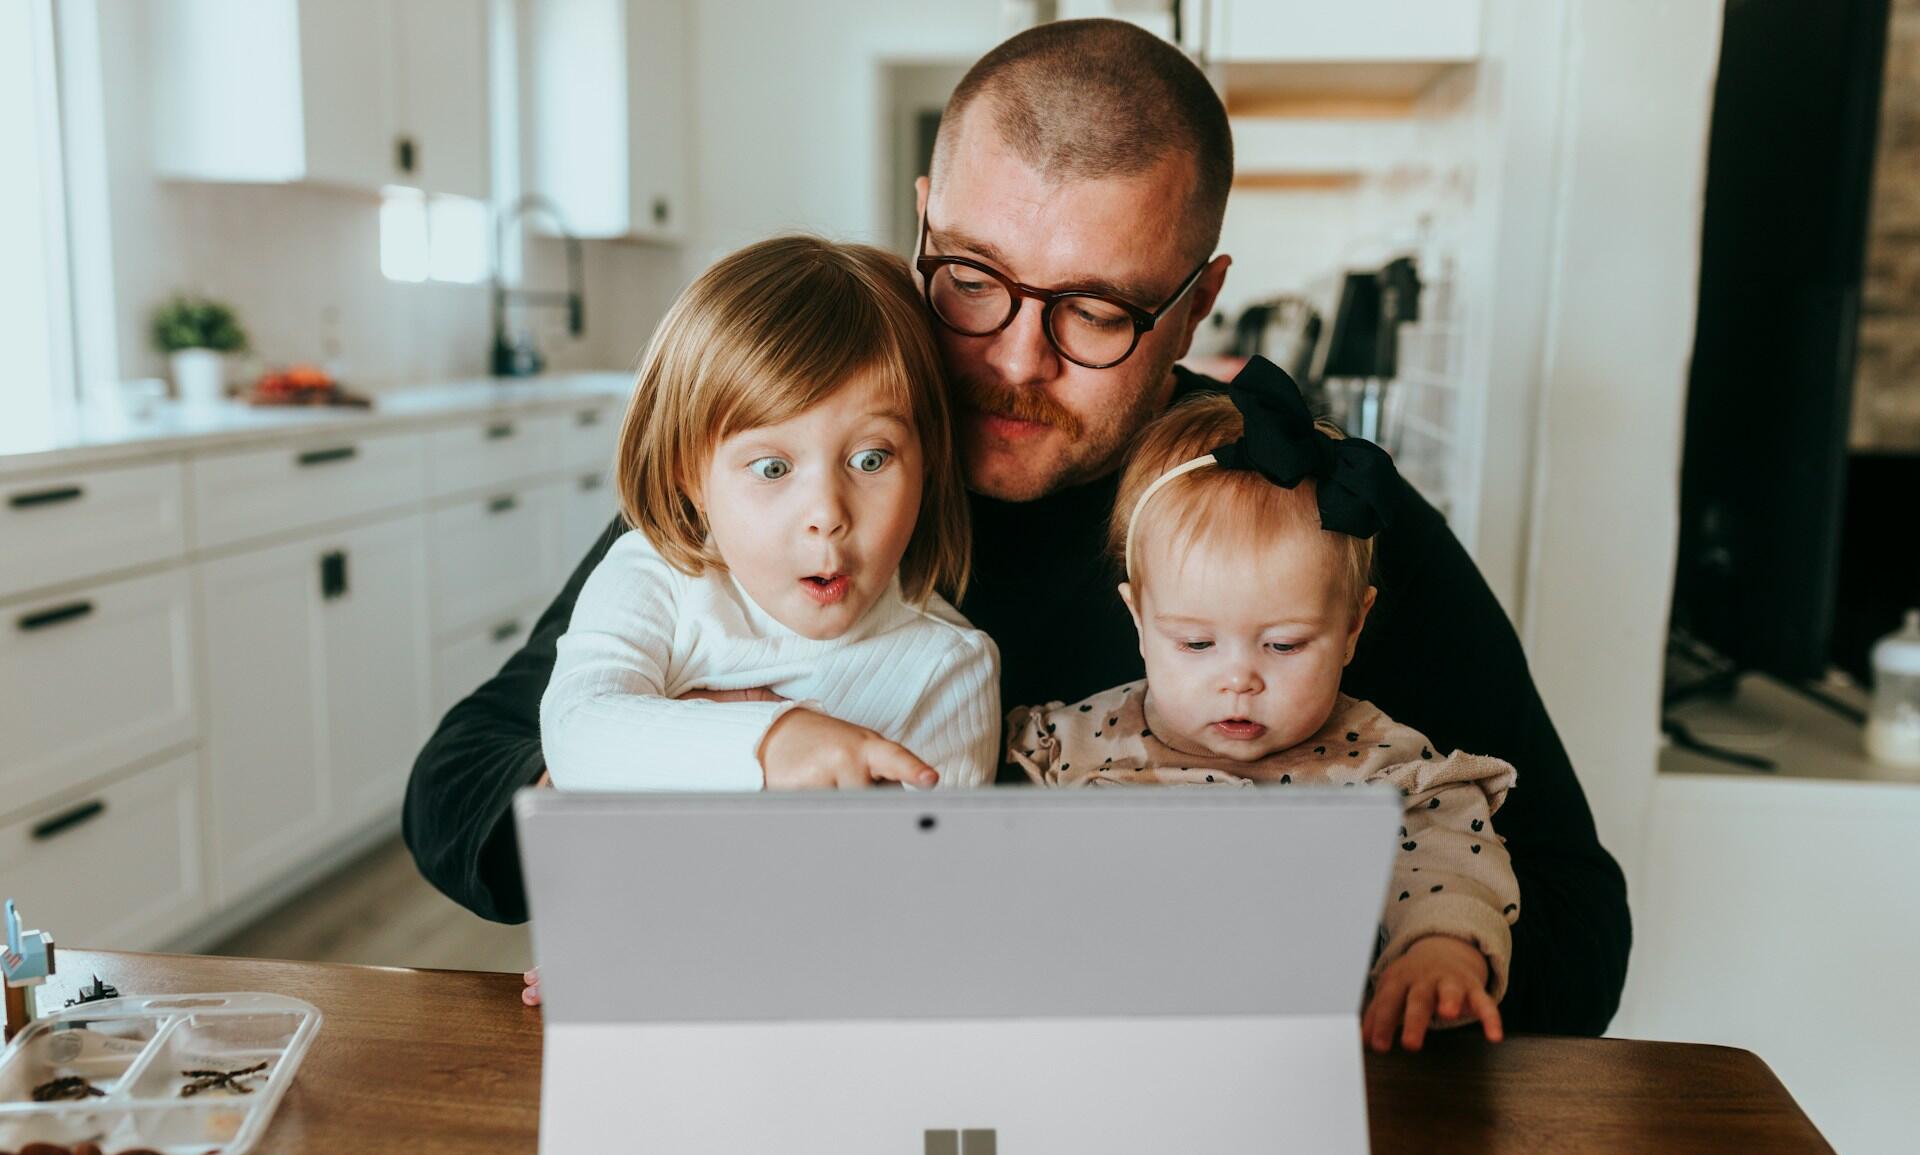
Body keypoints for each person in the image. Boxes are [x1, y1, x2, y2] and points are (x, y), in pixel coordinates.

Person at [405, 18, 1631, 1036]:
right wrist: (676, 792)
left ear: (1200, 299)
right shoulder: (793, 480)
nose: (1011, 362)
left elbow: (1578, 915)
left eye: (1097, 309)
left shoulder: (1292, 507)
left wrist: (1350, 946)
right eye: (973, 280)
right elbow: (458, 795)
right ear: (925, 218)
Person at [1008, 360, 1519, 1052]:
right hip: (1104, 1063)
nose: (1239, 679)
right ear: (1137, 618)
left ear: (1352, 628)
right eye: (1194, 642)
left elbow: (1445, 867)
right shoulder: (1063, 744)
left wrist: (1441, 953)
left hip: (1304, 1070)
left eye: (1282, 645)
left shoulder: (1386, 771)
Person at [539, 235, 998, 797]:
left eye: (870, 459)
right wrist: (772, 743)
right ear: (691, 477)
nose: (827, 515)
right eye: (773, 469)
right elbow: (575, 733)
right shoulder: (654, 580)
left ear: (926, 464)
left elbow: (931, 876)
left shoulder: (947, 670)